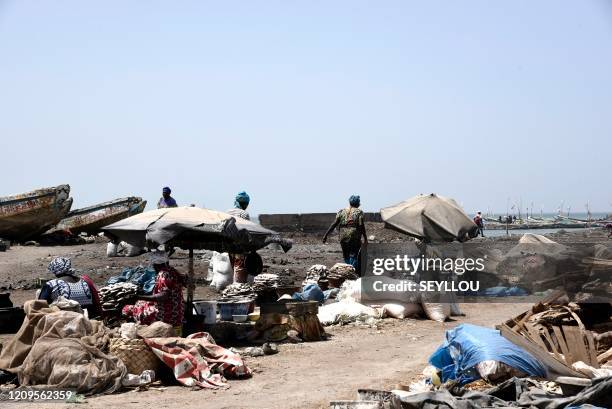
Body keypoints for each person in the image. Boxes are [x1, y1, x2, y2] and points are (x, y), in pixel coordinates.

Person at [122, 250, 187, 335]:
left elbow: (164, 296)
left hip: (166, 315)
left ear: (156, 264)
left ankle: (139, 330)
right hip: (178, 313)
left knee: (130, 309)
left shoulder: (163, 274)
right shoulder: (173, 271)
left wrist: (138, 297)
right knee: (141, 303)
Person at [323, 195, 368, 271]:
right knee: (354, 254)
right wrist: (365, 238)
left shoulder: (341, 211)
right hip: (354, 236)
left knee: (346, 255)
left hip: (343, 236)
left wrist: (325, 235)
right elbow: (361, 225)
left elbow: (334, 224)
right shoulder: (359, 212)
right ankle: (352, 270)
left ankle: (347, 269)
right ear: (357, 203)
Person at [227, 191, 251, 282]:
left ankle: (235, 284)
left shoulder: (228, 212)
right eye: (246, 204)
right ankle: (238, 286)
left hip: (228, 245)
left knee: (233, 265)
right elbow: (247, 230)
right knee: (239, 267)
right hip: (239, 246)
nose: (246, 205)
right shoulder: (244, 214)